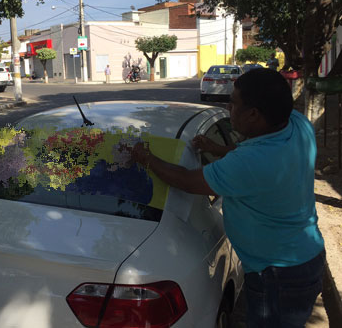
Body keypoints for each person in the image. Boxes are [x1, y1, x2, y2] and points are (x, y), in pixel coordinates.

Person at [131, 68, 325, 327]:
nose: (227, 106)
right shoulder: (297, 125)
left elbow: (187, 181)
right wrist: (217, 148)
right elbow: (255, 149)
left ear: (254, 114)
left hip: (277, 275)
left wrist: (147, 159)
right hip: (307, 257)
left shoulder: (248, 163)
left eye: (233, 102)